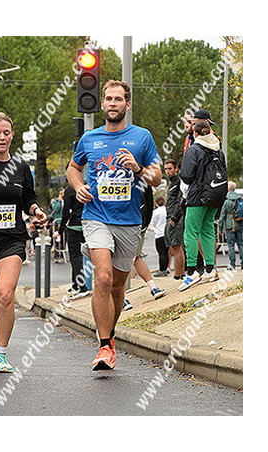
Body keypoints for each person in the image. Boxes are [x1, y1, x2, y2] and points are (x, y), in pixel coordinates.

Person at [67, 80, 162, 371]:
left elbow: (157, 178)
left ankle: (110, 336)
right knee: (104, 278)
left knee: (118, 286)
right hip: (96, 216)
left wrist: (138, 168)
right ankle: (104, 345)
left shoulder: (142, 137)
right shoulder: (90, 138)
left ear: (127, 105)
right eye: (108, 99)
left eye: (118, 99)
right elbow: (73, 168)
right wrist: (79, 187)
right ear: (103, 103)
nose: (112, 103)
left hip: (129, 220)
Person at [0, 112, 47, 373]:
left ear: (12, 135)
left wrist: (36, 210)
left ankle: (0, 355)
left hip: (11, 238)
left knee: (4, 295)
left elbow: (29, 198)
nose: (1, 137)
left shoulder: (21, 167)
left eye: (6, 133)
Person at [178, 120, 226, 291]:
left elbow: (186, 175)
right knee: (208, 230)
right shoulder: (219, 151)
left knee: (190, 233)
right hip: (214, 197)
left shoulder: (194, 150)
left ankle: (192, 272)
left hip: (197, 197)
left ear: (195, 133)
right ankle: (210, 269)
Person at [55, 167, 89, 300]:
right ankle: (75, 284)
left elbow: (66, 212)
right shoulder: (87, 186)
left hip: (73, 226)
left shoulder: (69, 189)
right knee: (88, 256)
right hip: (87, 224)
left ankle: (82, 287)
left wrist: (60, 230)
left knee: (75, 257)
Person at [129, 185, 166, 305]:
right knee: (135, 258)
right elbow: (149, 205)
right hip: (138, 225)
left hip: (129, 224)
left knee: (124, 260)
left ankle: (121, 298)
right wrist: (144, 225)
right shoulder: (143, 182)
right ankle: (153, 288)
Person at [163, 159, 186, 280]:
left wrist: (174, 218)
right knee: (175, 247)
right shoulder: (173, 183)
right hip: (171, 217)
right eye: (166, 169)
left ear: (176, 169)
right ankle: (180, 273)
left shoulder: (178, 181)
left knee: (176, 247)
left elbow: (180, 200)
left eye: (170, 169)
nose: (168, 171)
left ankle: (178, 274)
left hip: (175, 218)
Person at [218, 181, 243, 270]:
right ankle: (243, 263)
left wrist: (220, 228)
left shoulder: (227, 201)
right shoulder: (240, 199)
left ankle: (232, 265)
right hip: (239, 225)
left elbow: (222, 216)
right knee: (241, 244)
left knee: (231, 245)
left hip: (230, 226)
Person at [151, 195, 169, 277]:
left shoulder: (156, 212)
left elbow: (153, 223)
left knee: (161, 253)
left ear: (156, 202)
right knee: (166, 252)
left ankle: (162, 270)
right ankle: (166, 269)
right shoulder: (167, 209)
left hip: (159, 233)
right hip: (167, 232)